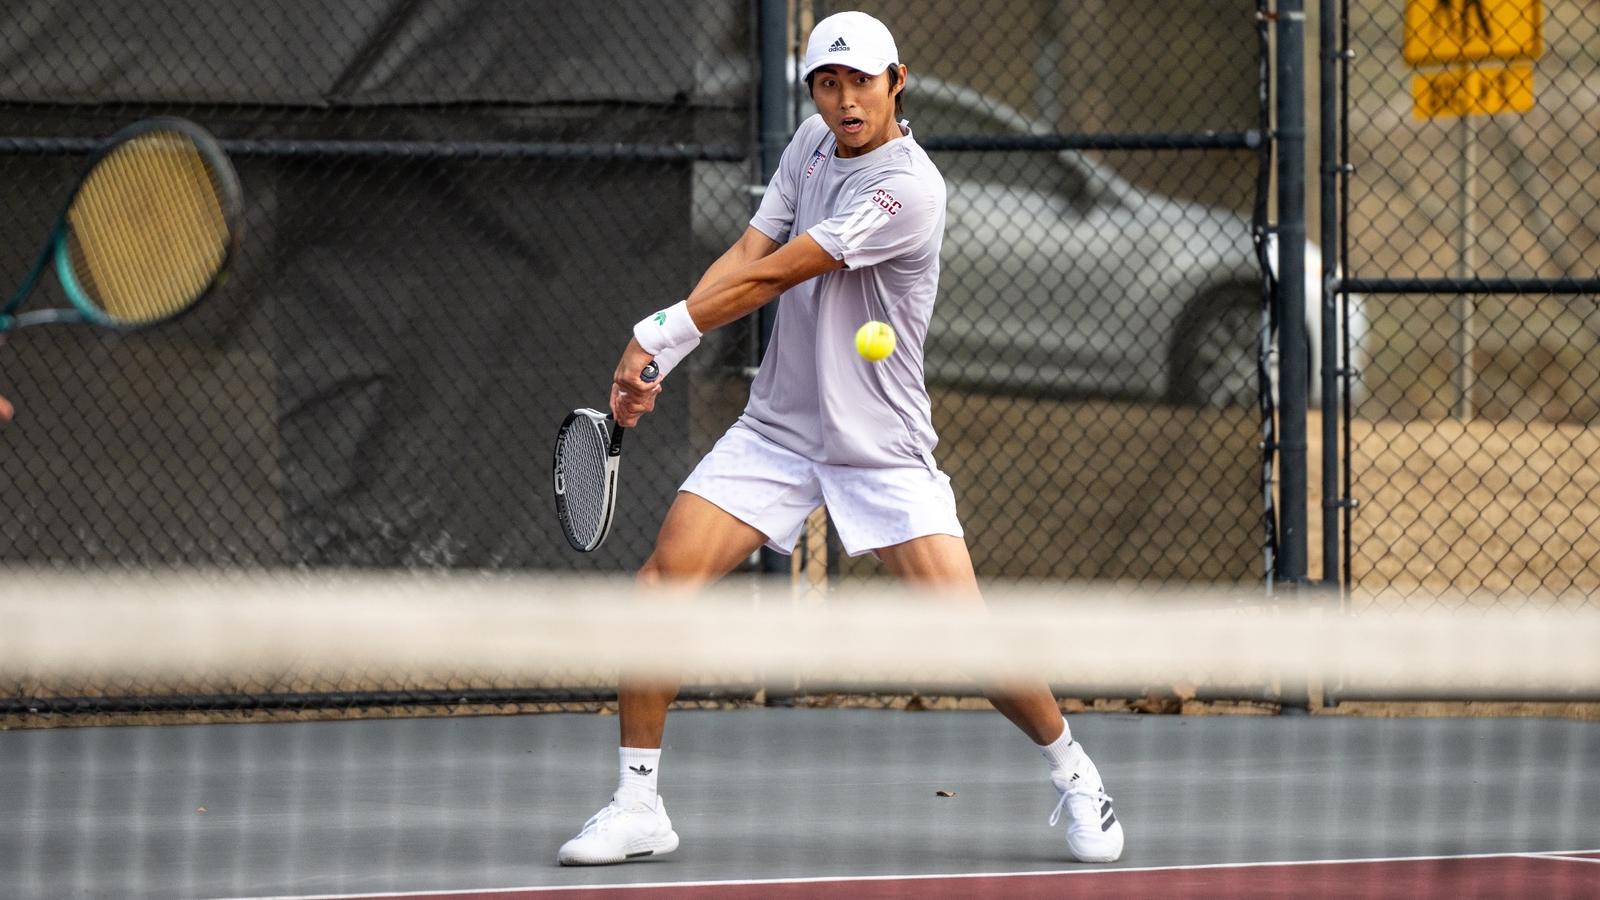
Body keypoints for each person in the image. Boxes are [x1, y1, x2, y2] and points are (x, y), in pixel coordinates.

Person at [558, 11, 1123, 866]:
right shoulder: (809, 148)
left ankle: (1076, 774)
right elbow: (749, 250)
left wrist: (658, 330)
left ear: (897, 82)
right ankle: (638, 804)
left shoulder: (910, 189)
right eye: (829, 83)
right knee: (658, 589)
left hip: (879, 447)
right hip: (779, 429)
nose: (845, 99)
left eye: (862, 81)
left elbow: (783, 270)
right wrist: (665, 356)